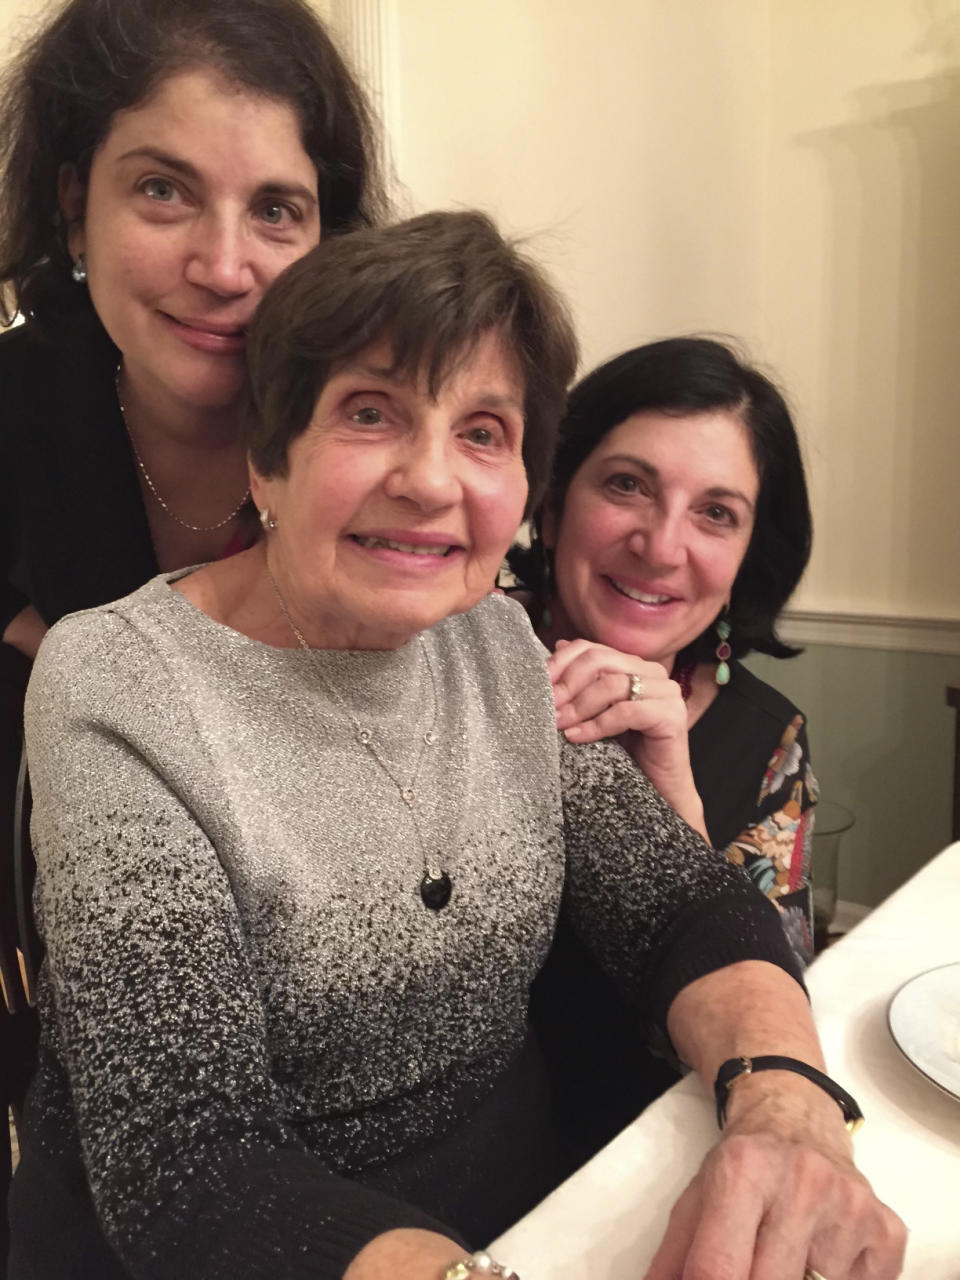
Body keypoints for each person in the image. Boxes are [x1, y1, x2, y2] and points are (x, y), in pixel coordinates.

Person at [12, 212, 904, 1280]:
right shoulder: (121, 681)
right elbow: (188, 1158)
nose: (432, 479)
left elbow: (678, 902)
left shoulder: (492, 638)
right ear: (268, 459)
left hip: (533, 1224)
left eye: (483, 430)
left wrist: (786, 1106)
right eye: (371, 412)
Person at [0, 0, 382, 1233]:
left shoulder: (379, 434)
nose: (227, 266)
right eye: (163, 191)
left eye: (276, 207)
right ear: (73, 204)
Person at [507, 338, 820, 1163]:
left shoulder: (769, 742)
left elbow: (768, 1018)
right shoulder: (446, 659)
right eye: (626, 485)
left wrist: (671, 791)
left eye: (716, 512)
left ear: (750, 553)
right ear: (551, 499)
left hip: (654, 1155)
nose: (661, 544)